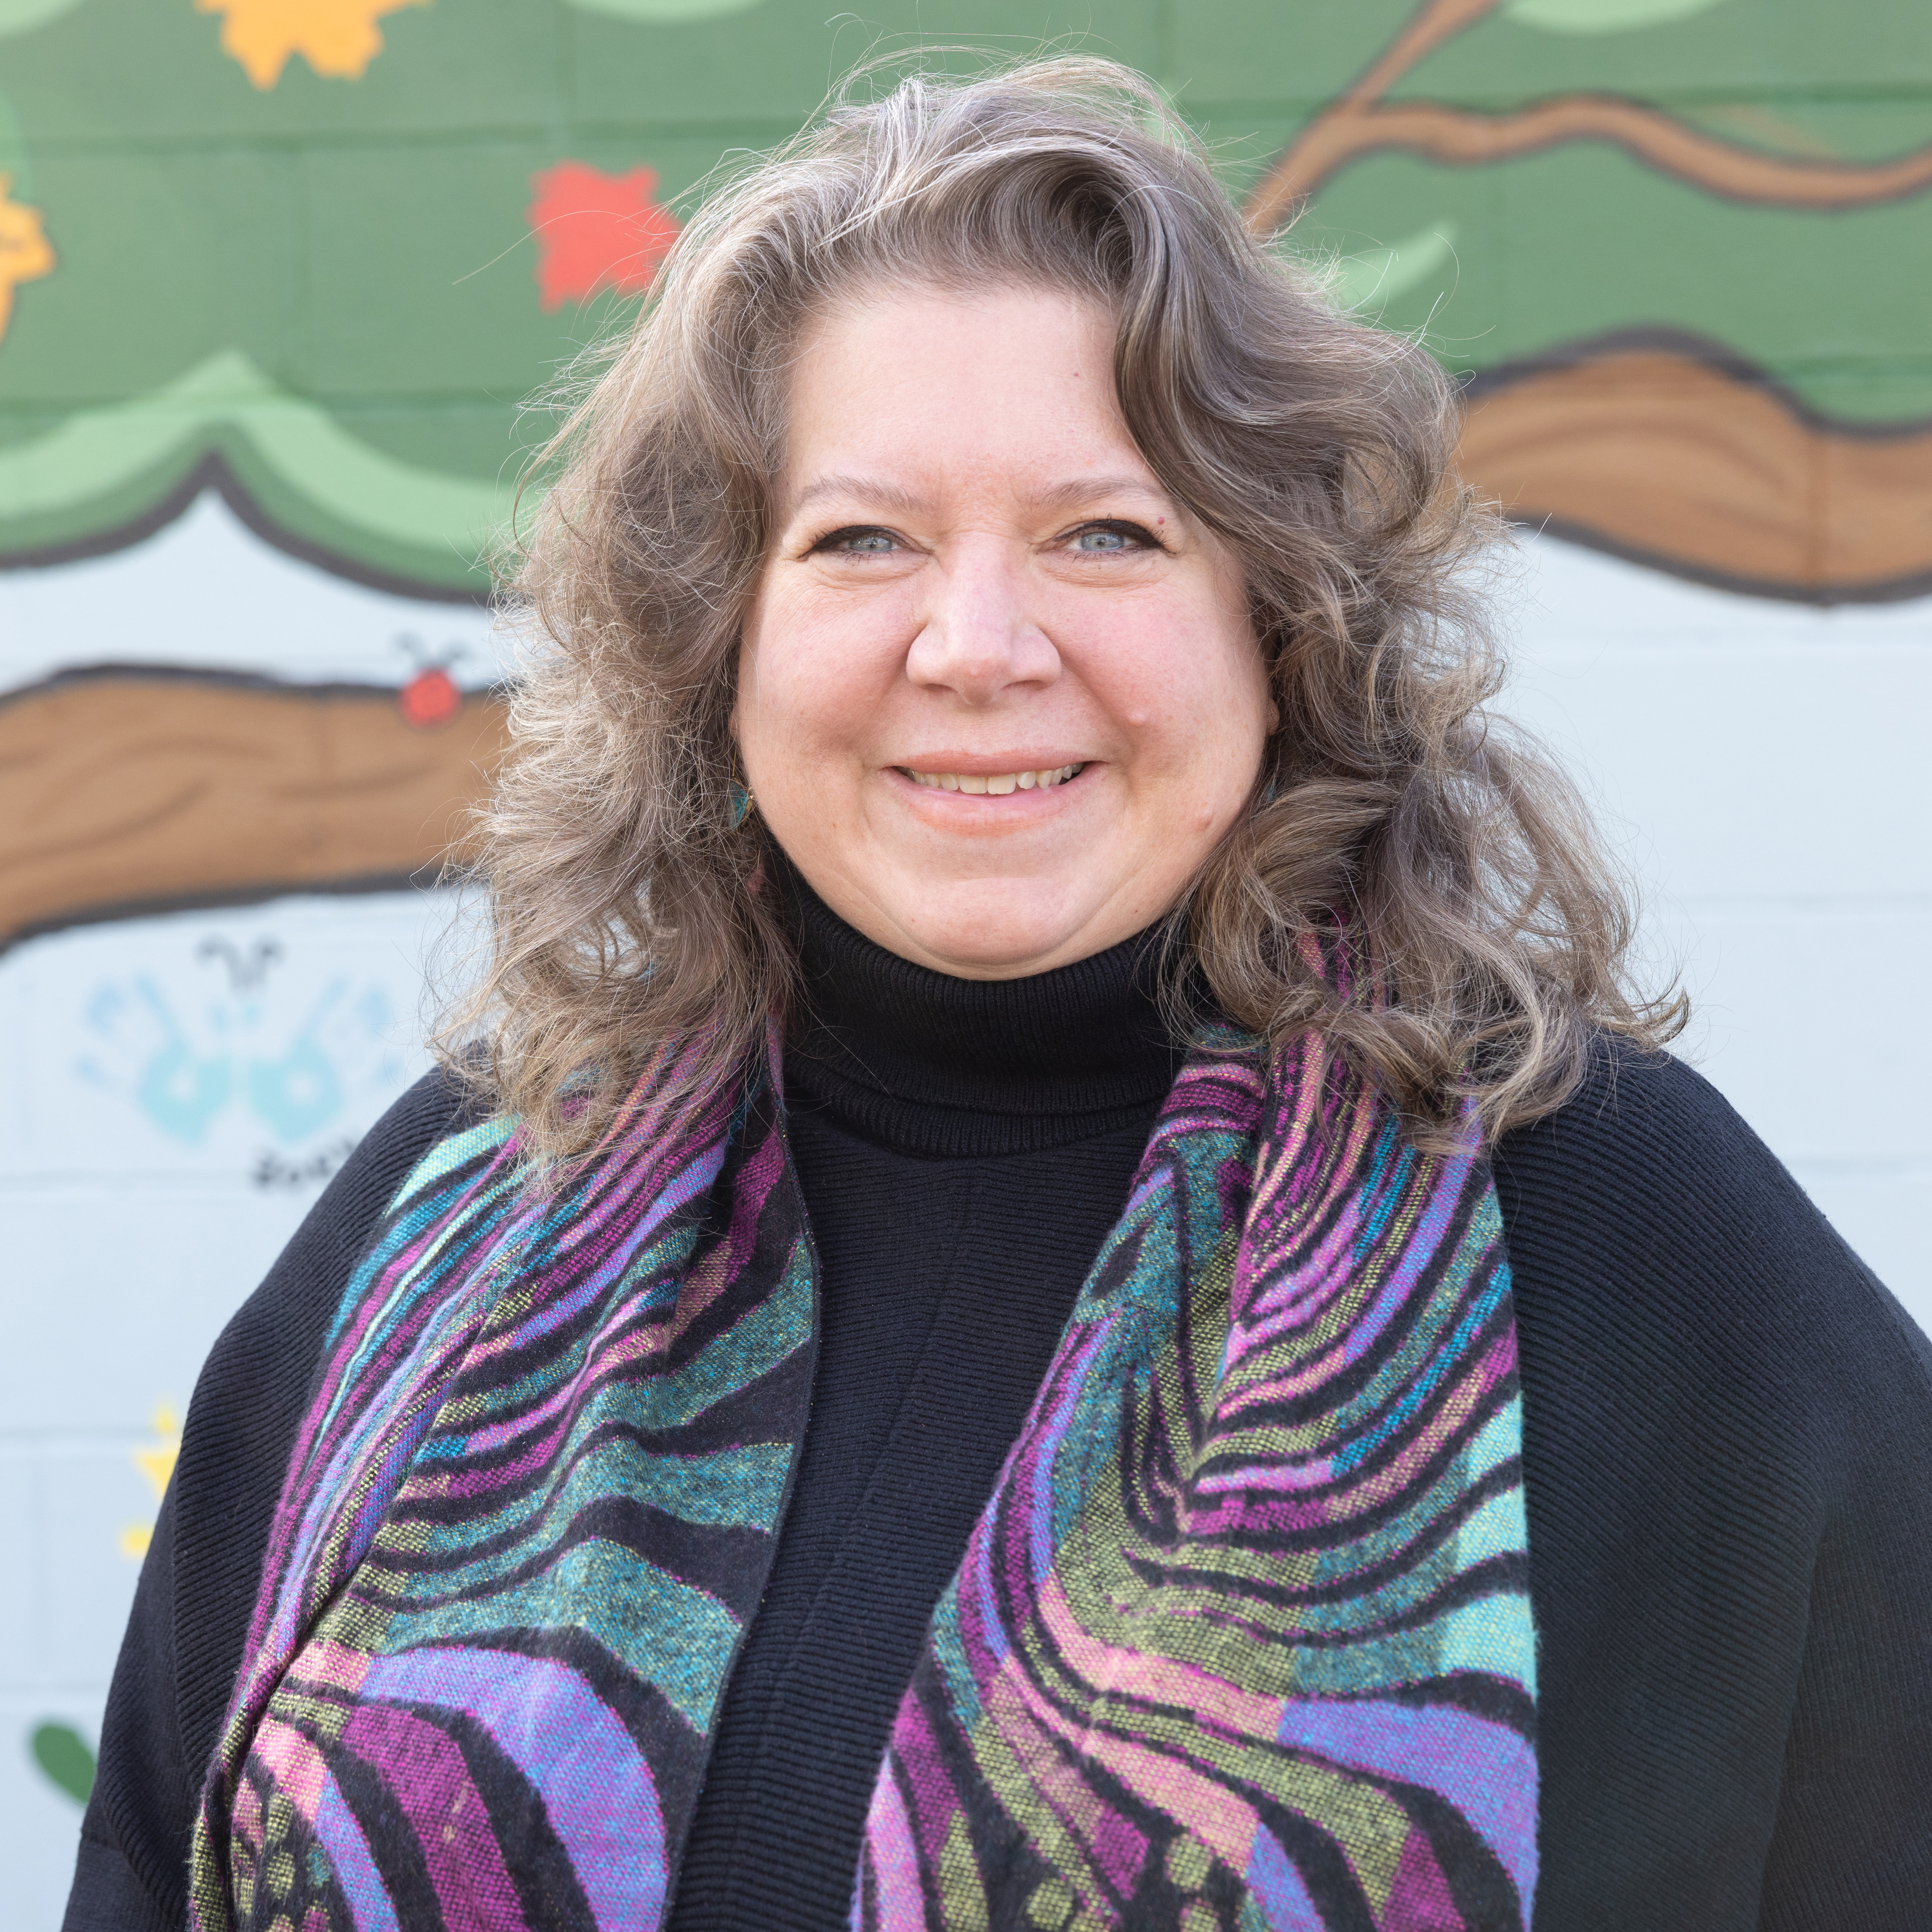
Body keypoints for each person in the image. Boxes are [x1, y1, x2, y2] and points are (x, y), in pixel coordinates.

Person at [67, 57, 1931, 1932]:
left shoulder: (1610, 1236)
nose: (975, 647)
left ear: (1278, 628)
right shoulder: (458, 1223)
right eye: (860, 540)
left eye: (1105, 534)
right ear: (724, 643)